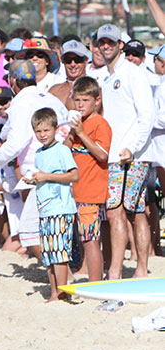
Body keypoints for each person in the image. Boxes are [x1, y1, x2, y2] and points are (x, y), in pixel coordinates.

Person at [0, 60, 68, 257]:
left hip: (36, 171)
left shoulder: (20, 103)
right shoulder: (51, 98)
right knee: (53, 228)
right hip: (61, 166)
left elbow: (16, 142)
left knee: (30, 231)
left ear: (13, 81)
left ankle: (59, 273)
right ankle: (61, 271)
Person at [96, 24, 155, 279]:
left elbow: (147, 114)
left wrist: (133, 147)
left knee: (125, 211)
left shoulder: (132, 73)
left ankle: (123, 270)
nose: (106, 45)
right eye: (102, 42)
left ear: (121, 44)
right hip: (114, 155)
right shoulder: (103, 76)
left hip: (132, 155)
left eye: (111, 41)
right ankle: (130, 269)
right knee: (129, 211)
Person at [26, 108, 79, 302]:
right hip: (45, 209)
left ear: (56, 129)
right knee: (48, 253)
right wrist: (34, 180)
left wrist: (46, 176)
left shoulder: (62, 150)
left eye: (46, 130)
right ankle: (54, 293)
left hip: (61, 208)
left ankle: (62, 294)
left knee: (59, 253)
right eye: (38, 131)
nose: (42, 135)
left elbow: (74, 175)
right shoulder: (39, 153)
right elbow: (44, 177)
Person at [64, 77, 112, 282]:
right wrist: (70, 133)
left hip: (91, 192)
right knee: (84, 238)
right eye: (77, 100)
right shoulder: (78, 125)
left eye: (85, 100)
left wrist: (82, 134)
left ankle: (95, 282)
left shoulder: (100, 124)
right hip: (76, 190)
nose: (80, 104)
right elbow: (65, 153)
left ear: (97, 101)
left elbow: (102, 155)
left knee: (91, 240)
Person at [48, 40, 90, 110]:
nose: (73, 64)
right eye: (68, 60)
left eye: (77, 59)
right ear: (62, 60)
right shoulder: (53, 90)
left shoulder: (93, 89)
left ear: (86, 61)